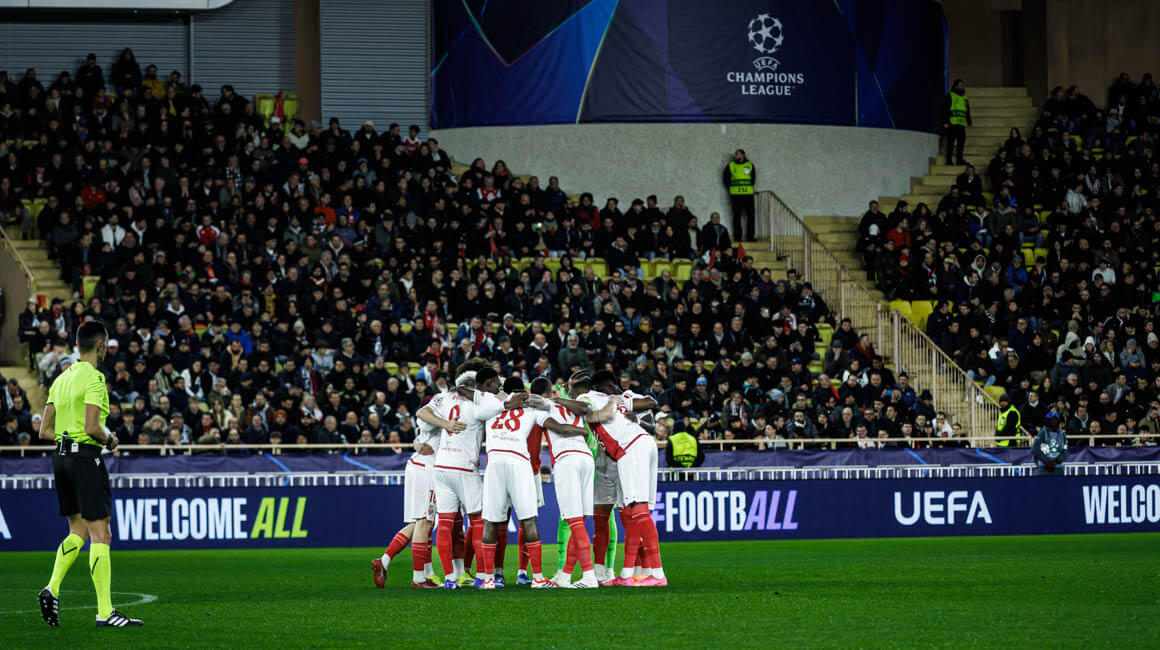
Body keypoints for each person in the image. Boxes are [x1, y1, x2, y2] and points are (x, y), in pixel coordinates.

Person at [37, 320, 143, 628]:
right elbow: (92, 427)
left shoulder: (61, 379)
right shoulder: (95, 378)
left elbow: (44, 431)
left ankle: (52, 587)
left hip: (60, 458)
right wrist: (110, 440)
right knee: (102, 533)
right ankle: (105, 612)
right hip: (85, 459)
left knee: (78, 531)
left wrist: (67, 439)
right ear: (100, 345)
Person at [476, 377, 588, 590]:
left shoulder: (492, 406)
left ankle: (488, 579)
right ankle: (537, 578)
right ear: (523, 391)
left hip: (494, 462)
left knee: (491, 522)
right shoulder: (531, 408)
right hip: (519, 462)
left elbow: (474, 405)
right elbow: (559, 428)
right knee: (528, 520)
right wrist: (582, 431)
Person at [431, 364, 526, 589]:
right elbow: (507, 405)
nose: (497, 388)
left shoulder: (445, 399)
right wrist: (507, 401)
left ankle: (450, 579)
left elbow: (422, 412)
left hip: (441, 466)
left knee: (444, 524)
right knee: (478, 522)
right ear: (485, 385)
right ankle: (484, 577)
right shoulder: (480, 404)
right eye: (496, 385)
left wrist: (445, 424)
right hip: (464, 468)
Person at [371, 387, 462, 589]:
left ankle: (384, 561)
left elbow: (421, 432)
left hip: (418, 464)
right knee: (425, 522)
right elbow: (422, 414)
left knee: (418, 523)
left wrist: (417, 442)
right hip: (427, 468)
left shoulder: (443, 408)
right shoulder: (444, 406)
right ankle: (419, 578)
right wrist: (446, 425)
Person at [528, 377, 598, 588]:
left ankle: (589, 576)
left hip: (567, 459)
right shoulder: (573, 406)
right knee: (579, 522)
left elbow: (536, 404)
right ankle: (566, 575)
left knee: (574, 522)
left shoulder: (543, 406)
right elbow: (586, 409)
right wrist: (584, 431)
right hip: (586, 458)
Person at [722, 149, 756, 242]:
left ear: (742, 155)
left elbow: (753, 180)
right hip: (736, 195)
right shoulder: (730, 165)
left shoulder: (750, 165)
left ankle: (750, 238)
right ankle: (738, 238)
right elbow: (726, 179)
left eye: (737, 154)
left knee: (751, 216)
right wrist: (731, 189)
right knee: (737, 216)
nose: (735, 156)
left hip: (748, 195)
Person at [943, 78, 972, 165]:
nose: (962, 86)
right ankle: (949, 160)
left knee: (961, 143)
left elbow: (967, 110)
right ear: (956, 86)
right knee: (950, 143)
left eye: (962, 85)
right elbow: (945, 109)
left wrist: (969, 121)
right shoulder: (950, 95)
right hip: (952, 123)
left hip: (961, 124)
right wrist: (946, 122)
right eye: (960, 85)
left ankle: (959, 160)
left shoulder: (965, 97)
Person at [1032, 411, 1068, 476]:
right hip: (1044, 468)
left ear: (1058, 421)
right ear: (1047, 421)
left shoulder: (1062, 434)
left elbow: (1065, 452)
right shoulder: (1042, 433)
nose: (1053, 422)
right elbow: (1035, 449)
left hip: (1058, 468)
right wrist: (1047, 462)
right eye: (1051, 420)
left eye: (1055, 420)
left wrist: (1056, 461)